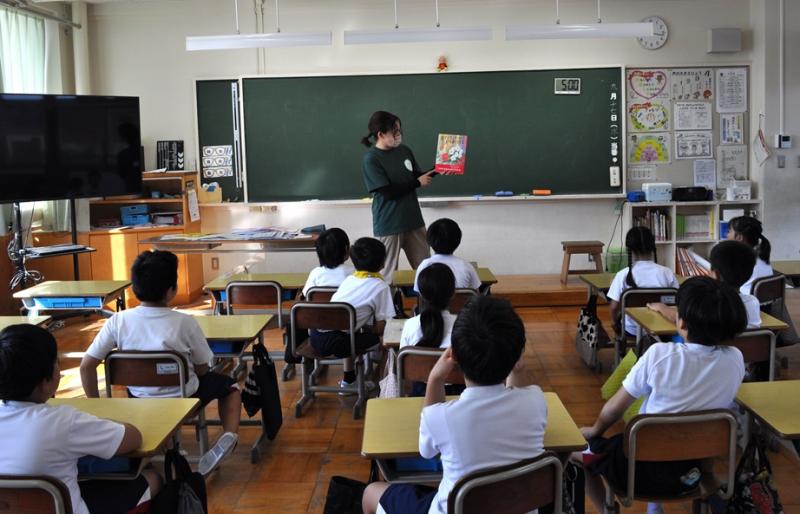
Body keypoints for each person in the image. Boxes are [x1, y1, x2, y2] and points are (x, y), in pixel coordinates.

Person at [362, 296, 547, 514]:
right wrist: (517, 365)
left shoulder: (441, 417)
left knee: (371, 493)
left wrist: (435, 378)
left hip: (454, 509)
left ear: (455, 355)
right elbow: (519, 393)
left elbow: (426, 451)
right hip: (518, 508)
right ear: (517, 356)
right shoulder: (536, 401)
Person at [578, 277, 746, 514]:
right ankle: (654, 508)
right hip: (693, 472)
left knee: (574, 451)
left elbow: (614, 409)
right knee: (667, 424)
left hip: (638, 473)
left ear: (682, 322)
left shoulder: (660, 355)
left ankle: (607, 510)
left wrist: (595, 430)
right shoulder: (735, 359)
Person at [80, 250, 241, 476]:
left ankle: (162, 441)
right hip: (185, 400)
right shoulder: (185, 322)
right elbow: (203, 368)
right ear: (171, 290)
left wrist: (96, 407)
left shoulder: (117, 321)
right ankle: (229, 435)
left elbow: (86, 366)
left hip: (139, 399)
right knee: (231, 387)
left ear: (135, 287)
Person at [0, 325, 161, 514]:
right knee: (152, 477)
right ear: (45, 382)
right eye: (56, 362)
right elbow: (133, 438)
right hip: (66, 509)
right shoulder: (63, 421)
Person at [310, 237, 396, 391]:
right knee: (389, 343)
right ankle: (382, 389)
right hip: (338, 342)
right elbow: (382, 327)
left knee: (349, 331)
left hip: (316, 336)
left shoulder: (350, 279)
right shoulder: (381, 286)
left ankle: (349, 380)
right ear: (382, 262)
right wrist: (371, 329)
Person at [361, 110, 435, 282]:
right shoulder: (371, 159)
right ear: (380, 134)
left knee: (427, 272)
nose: (399, 134)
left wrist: (440, 168)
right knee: (387, 276)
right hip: (389, 224)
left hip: (414, 221)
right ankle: (388, 301)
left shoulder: (404, 150)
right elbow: (388, 192)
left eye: (399, 130)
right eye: (394, 131)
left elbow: (418, 176)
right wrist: (417, 183)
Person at [649, 240, 761, 329]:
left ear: (716, 275)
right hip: (746, 352)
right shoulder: (753, 302)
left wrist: (661, 307)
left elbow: (679, 318)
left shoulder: (710, 303)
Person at [607, 226, 679, 338]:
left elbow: (613, 307)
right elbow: (678, 301)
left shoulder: (623, 275)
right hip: (662, 329)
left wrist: (615, 322)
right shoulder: (667, 273)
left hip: (631, 330)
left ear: (629, 250)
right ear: (653, 247)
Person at [413, 218, 481, 293]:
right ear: (458, 241)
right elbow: (476, 293)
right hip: (461, 301)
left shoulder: (424, 265)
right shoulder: (466, 266)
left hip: (432, 301)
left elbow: (419, 293)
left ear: (429, 240)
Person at [401, 263, 457, 349]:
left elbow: (403, 356)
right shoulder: (464, 328)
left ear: (421, 295)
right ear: (453, 293)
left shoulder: (410, 326)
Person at [301, 227, 353, 297]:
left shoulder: (315, 273)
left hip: (319, 304)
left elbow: (306, 294)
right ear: (346, 249)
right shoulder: (354, 273)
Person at [727, 216, 773, 295]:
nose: (727, 235)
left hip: (744, 300)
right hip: (760, 301)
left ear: (739, 237)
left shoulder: (742, 262)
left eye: (729, 231)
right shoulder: (760, 256)